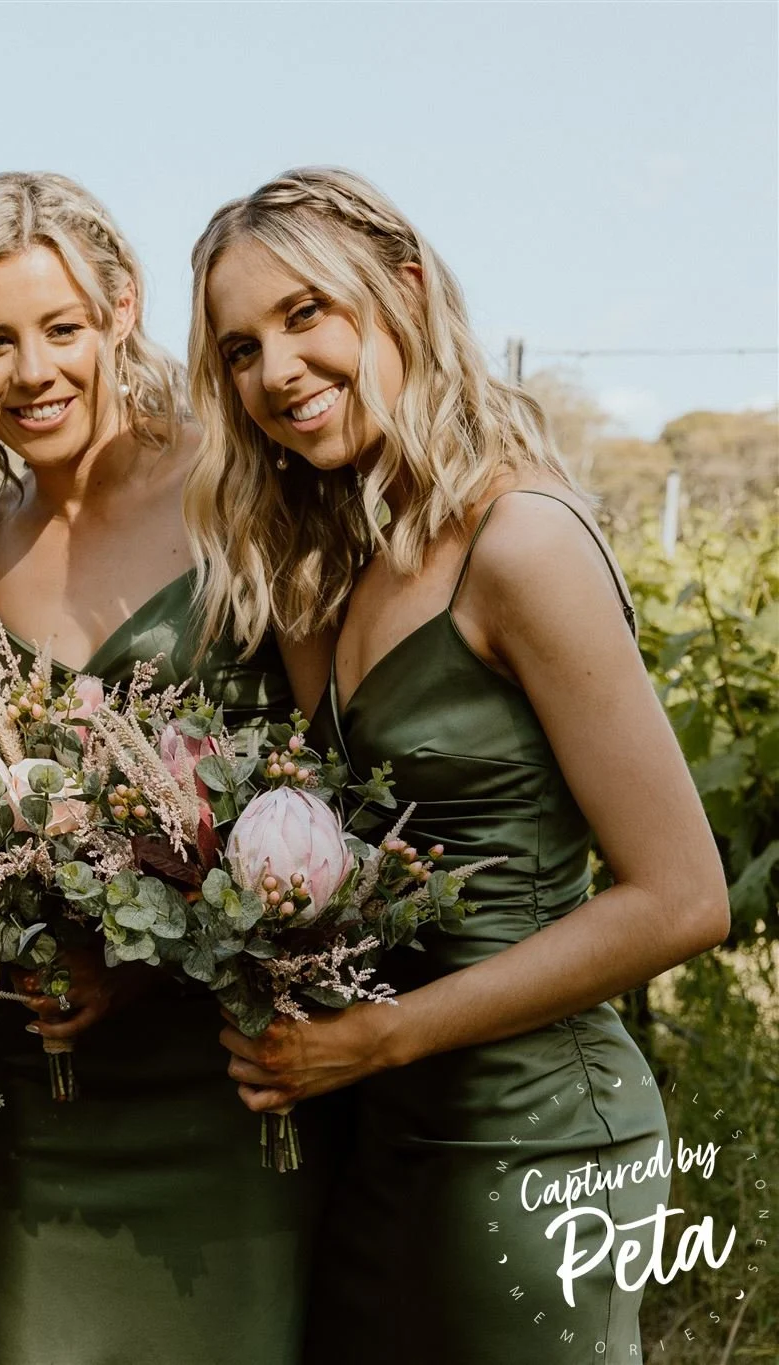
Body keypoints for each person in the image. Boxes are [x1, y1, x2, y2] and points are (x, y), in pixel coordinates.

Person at [186, 165, 730, 1363]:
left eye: (304, 315)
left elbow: (683, 900)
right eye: (236, 350)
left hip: (535, 1144)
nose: (272, 371)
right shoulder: (335, 563)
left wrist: (382, 1038)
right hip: (382, 1136)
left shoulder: (520, 540)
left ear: (404, 288)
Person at [0, 171, 329, 1365]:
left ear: (120, 312)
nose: (30, 371)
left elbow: (329, 772)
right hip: (56, 1089)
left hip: (240, 1072)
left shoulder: (238, 495)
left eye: (59, 329)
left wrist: (151, 964)